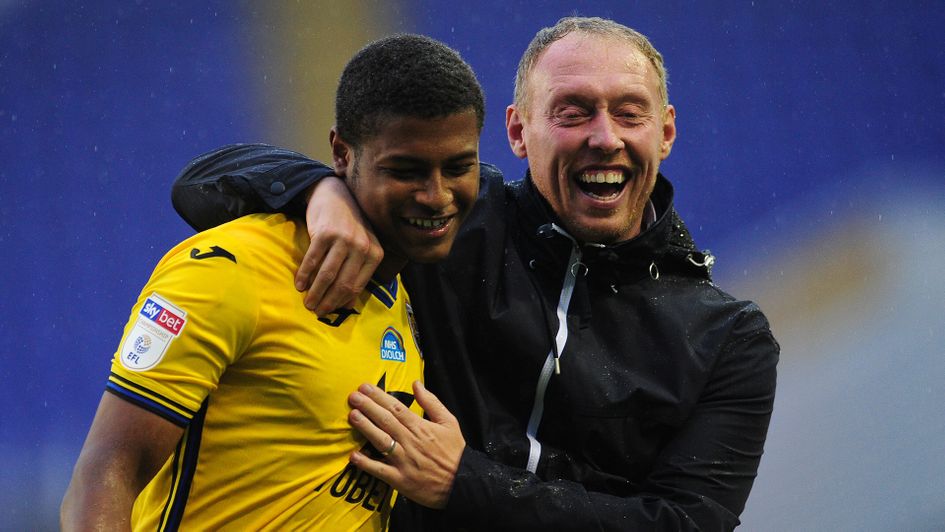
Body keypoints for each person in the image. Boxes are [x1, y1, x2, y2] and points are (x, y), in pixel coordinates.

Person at [171, 17, 779, 531]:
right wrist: (319, 191)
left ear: (665, 131)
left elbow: (685, 523)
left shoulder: (728, 338)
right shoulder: (450, 219)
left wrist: (467, 482)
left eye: (629, 114)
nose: (604, 138)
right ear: (517, 131)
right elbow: (201, 184)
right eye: (572, 112)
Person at [60, 34, 484, 530]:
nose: (436, 196)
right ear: (342, 154)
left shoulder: (404, 294)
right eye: (406, 171)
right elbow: (108, 471)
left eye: (458, 167)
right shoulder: (231, 267)